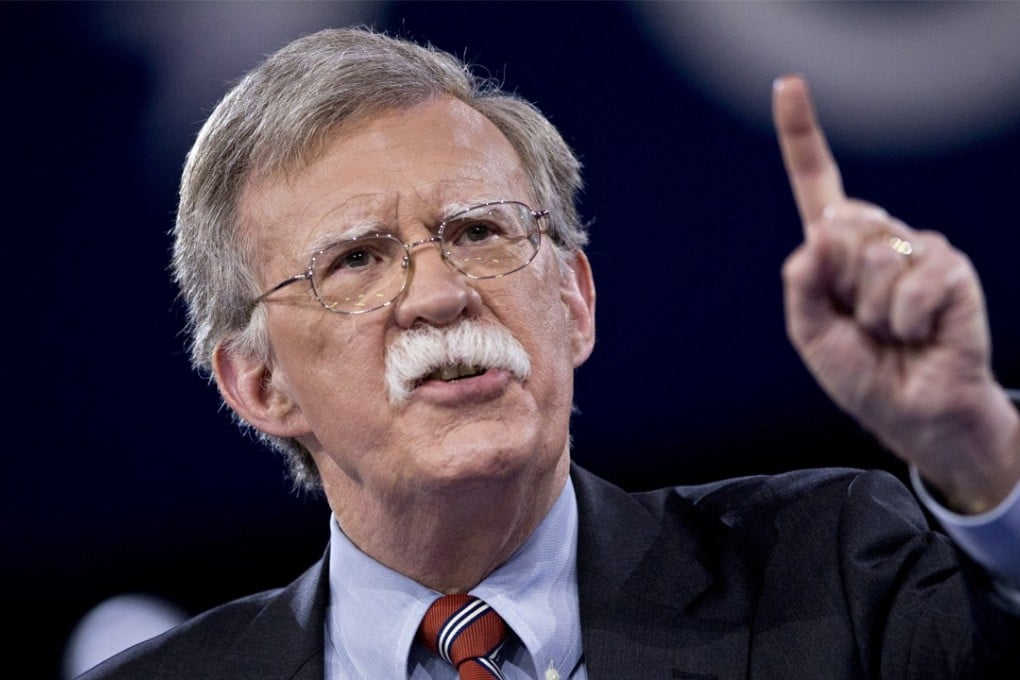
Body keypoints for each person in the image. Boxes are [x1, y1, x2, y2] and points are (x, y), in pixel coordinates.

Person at [79, 26, 1020, 679]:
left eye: (481, 232)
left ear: (573, 301)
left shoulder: (830, 572)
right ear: (259, 383)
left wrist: (979, 448)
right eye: (358, 260)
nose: (442, 293)